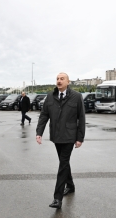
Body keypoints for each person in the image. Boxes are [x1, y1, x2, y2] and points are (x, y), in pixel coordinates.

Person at [36, 72, 86, 209]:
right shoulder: (50, 97)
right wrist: (39, 132)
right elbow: (44, 115)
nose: (59, 81)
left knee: (63, 164)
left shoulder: (76, 97)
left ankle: (57, 198)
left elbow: (81, 118)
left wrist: (80, 138)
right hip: (56, 136)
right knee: (64, 162)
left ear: (68, 82)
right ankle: (70, 185)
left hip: (70, 136)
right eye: (57, 79)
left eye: (62, 79)